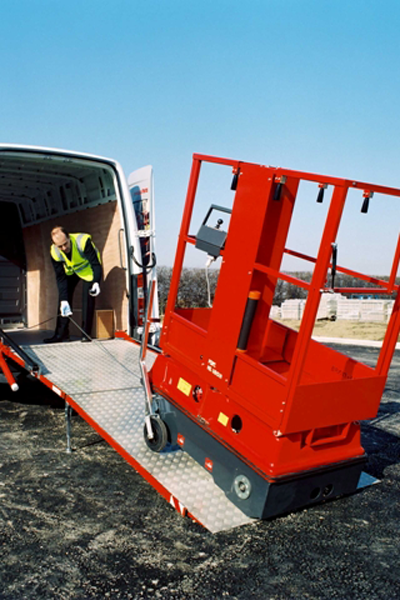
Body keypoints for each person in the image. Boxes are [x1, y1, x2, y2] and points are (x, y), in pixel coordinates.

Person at [44, 226, 102, 343]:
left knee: (88, 296)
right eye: (60, 246)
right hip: (71, 271)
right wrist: (64, 300)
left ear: (69, 237)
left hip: (88, 270)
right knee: (63, 299)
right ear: (55, 245)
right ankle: (61, 334)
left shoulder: (83, 241)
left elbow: (95, 264)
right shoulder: (54, 252)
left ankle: (86, 333)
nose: (64, 248)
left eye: (65, 244)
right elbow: (60, 278)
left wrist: (96, 281)